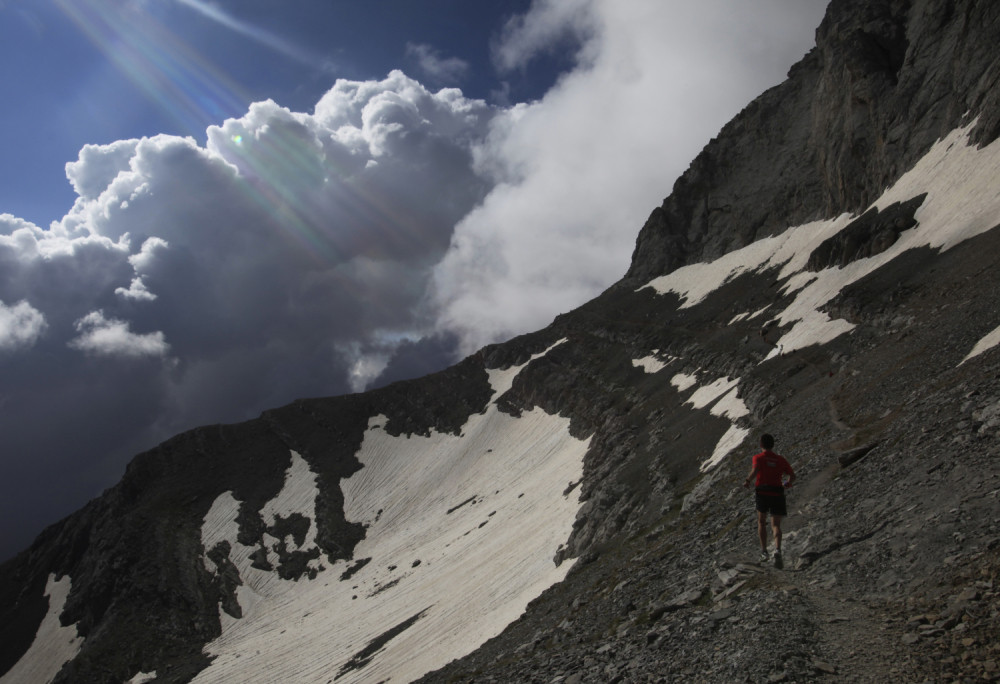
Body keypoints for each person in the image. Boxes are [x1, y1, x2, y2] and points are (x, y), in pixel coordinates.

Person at [743, 433, 795, 568]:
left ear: (761, 445)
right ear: (773, 445)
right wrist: (787, 484)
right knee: (776, 524)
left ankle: (764, 552)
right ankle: (777, 550)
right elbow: (792, 475)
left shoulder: (758, 458)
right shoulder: (781, 460)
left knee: (761, 521)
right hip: (777, 492)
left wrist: (748, 480)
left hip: (762, 492)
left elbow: (755, 470)